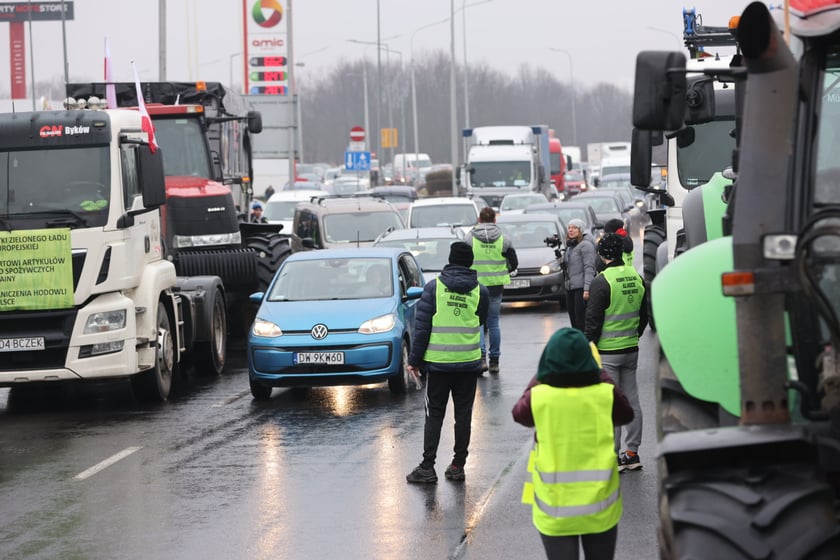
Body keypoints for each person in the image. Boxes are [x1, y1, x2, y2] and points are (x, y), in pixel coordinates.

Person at [512, 327, 634, 560]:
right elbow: (626, 414)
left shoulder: (539, 396)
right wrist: (598, 373)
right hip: (600, 509)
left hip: (555, 511)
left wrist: (541, 374)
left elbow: (519, 414)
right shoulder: (604, 394)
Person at [406, 241, 490, 484]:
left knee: (434, 415)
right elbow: (481, 321)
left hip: (439, 364)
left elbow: (422, 329)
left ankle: (427, 467)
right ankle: (457, 465)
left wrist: (414, 360)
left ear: (451, 260)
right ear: (470, 262)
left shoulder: (434, 289)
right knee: (463, 415)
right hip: (468, 363)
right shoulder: (480, 292)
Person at [585, 233, 648, 472]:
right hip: (631, 349)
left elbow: (593, 322)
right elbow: (645, 317)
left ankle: (612, 455)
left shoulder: (602, 282)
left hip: (607, 352)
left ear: (603, 255)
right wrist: (633, 336)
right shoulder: (637, 276)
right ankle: (632, 453)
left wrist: (587, 347)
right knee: (632, 401)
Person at [466, 207, 518, 374]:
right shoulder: (504, 239)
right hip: (496, 285)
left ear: (479, 219)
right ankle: (495, 360)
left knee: (478, 322)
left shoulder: (469, 238)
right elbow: (514, 262)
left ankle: (481, 359)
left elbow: (462, 259)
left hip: (476, 286)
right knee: (493, 322)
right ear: (495, 220)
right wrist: (505, 269)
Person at [563, 218, 597, 331]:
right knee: (573, 320)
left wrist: (587, 289)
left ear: (581, 230)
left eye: (574, 228)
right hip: (570, 287)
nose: (571, 230)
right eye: (569, 228)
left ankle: (585, 344)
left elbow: (589, 268)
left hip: (581, 288)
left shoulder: (586, 246)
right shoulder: (570, 246)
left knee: (580, 320)